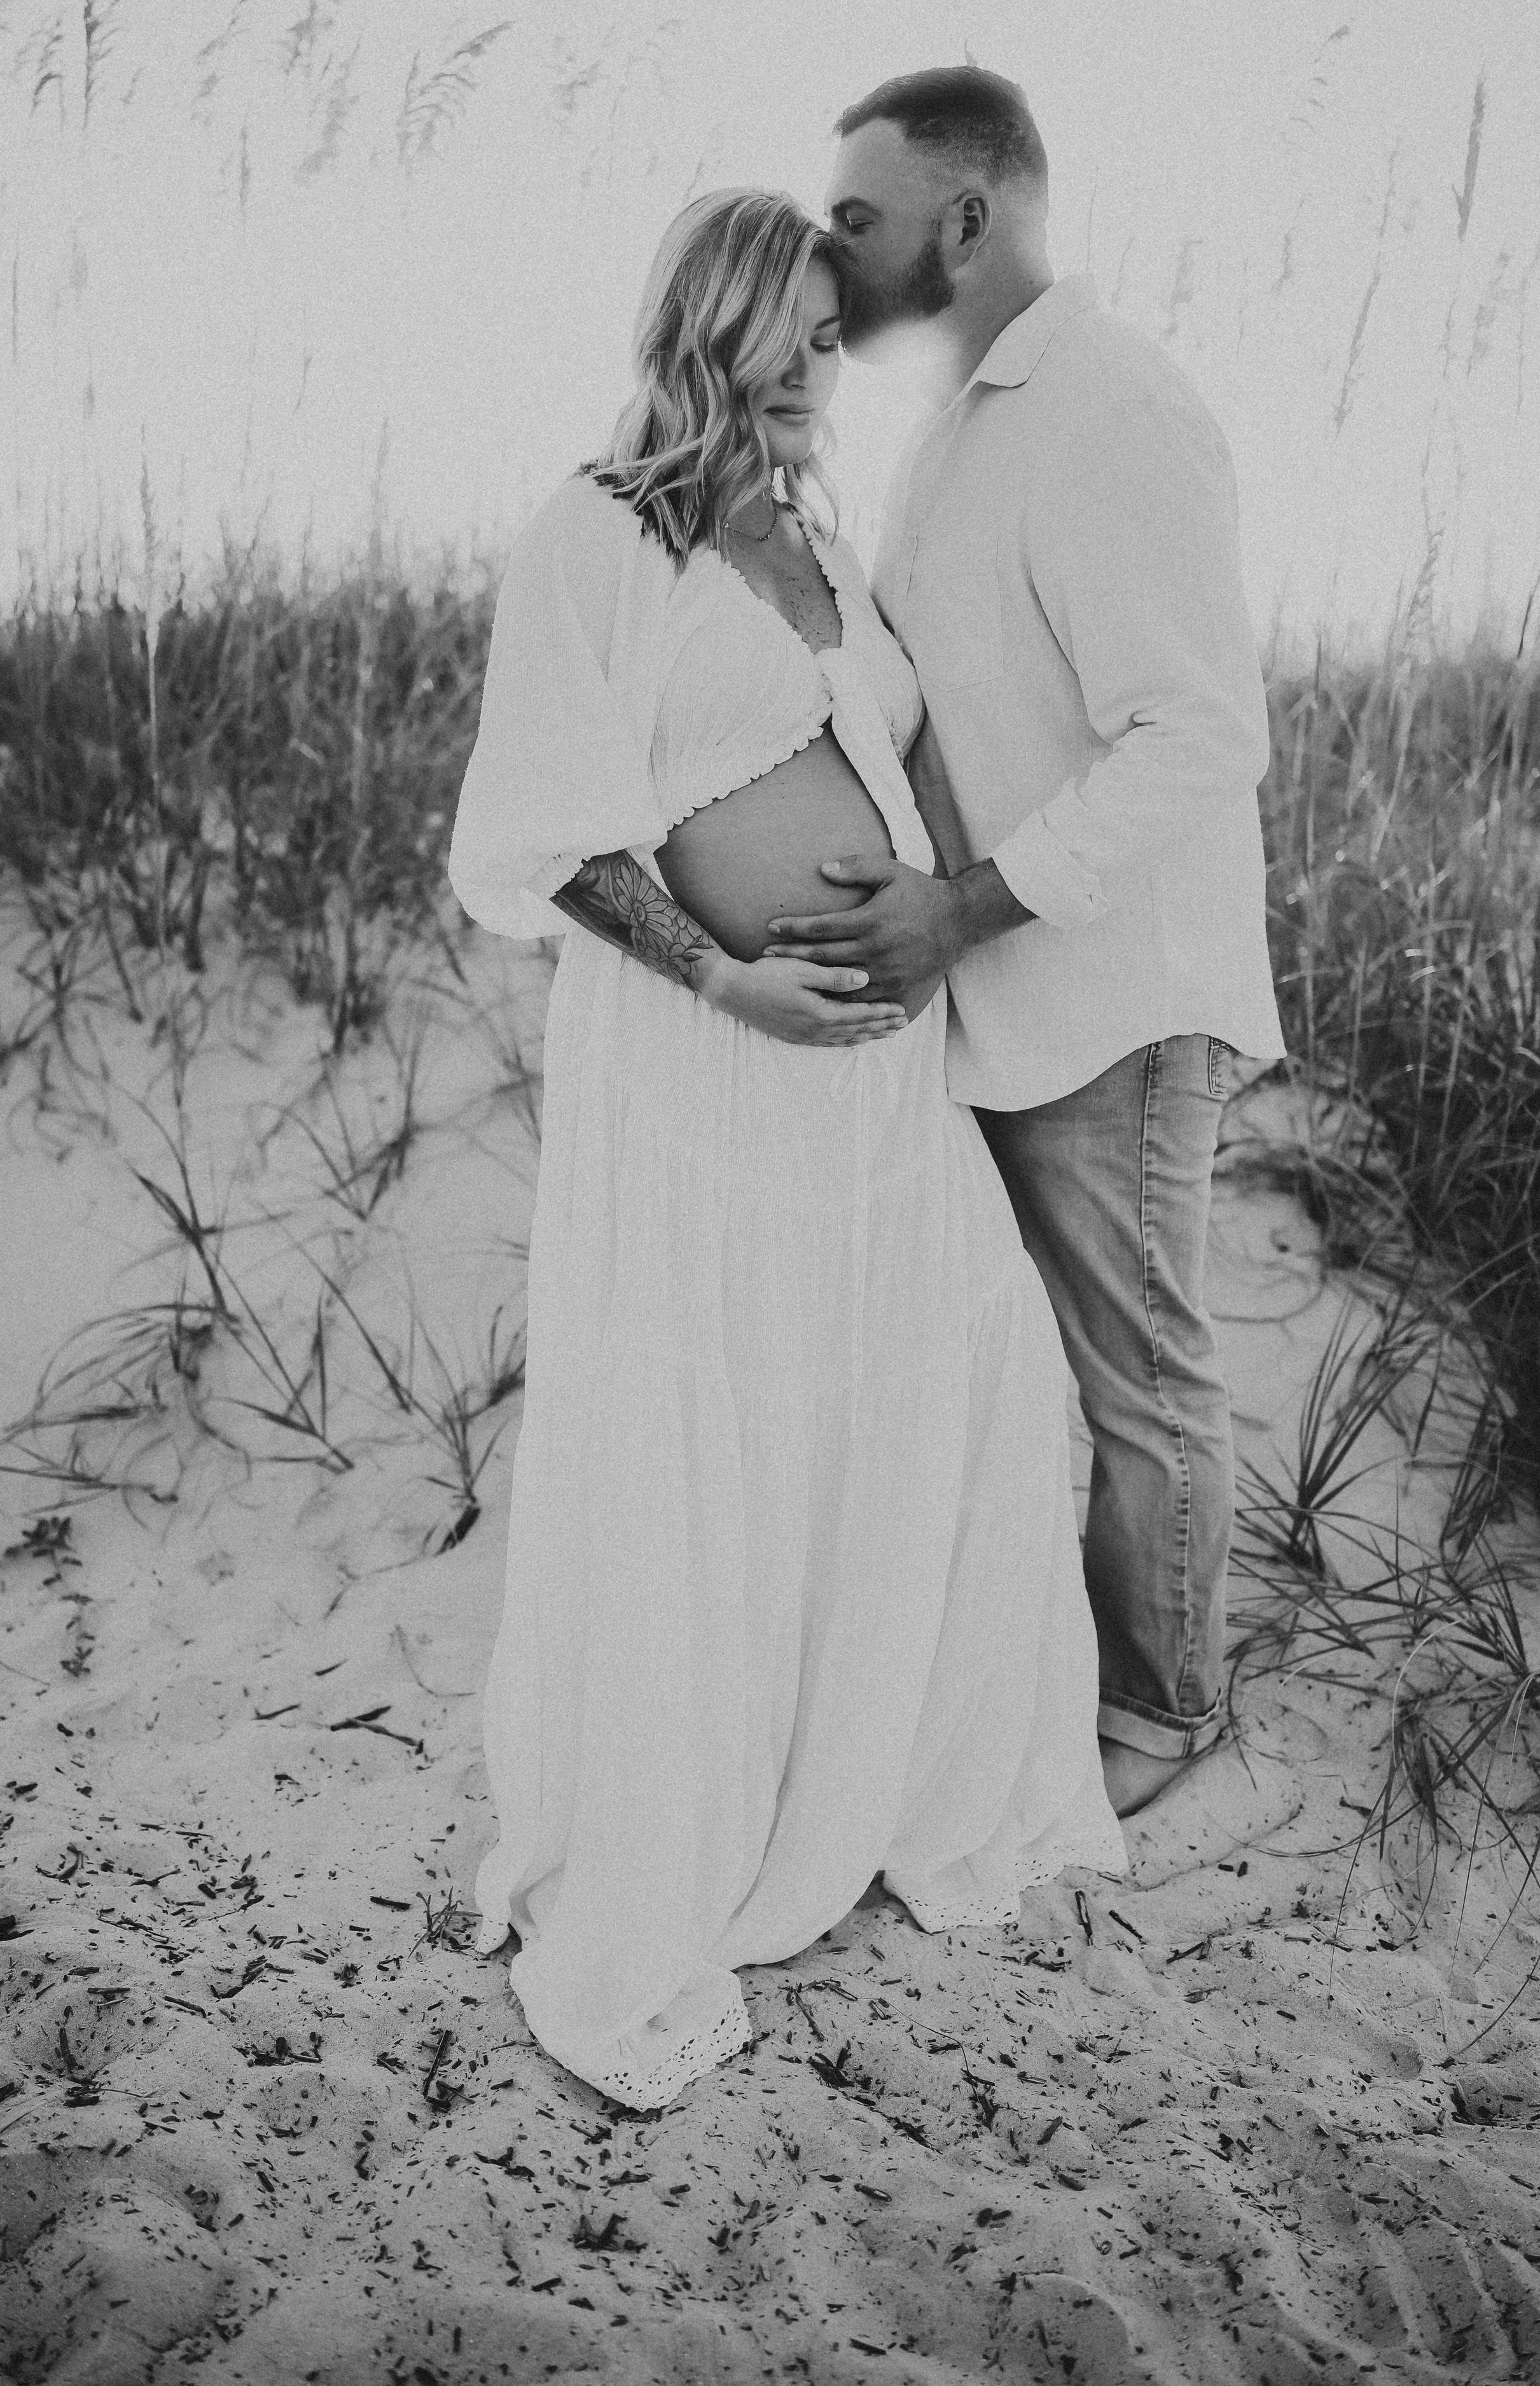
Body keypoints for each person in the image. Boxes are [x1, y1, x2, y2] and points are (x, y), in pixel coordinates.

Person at [447, 186, 1125, 2112]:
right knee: (712, 1420)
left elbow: (897, 764)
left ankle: (885, 1773)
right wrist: (725, 982)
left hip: (873, 1093)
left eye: (841, 338)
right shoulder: (593, 533)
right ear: (721, 320)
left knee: (945, 1391)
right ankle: (697, 1814)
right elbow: (551, 828)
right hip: (711, 1072)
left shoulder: (817, 534)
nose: (835, 368)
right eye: (806, 336)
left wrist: (945, 924)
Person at [762, 69, 1286, 1819]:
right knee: (996, 1374)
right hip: (988, 1000)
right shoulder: (966, 421)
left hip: (1106, 997)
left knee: (1139, 1377)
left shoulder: (1107, 408)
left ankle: (1164, 1703)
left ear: (965, 219)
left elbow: (1200, 734)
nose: (830, 251)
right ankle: (1029, 1674)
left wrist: (958, 907)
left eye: (859, 215)